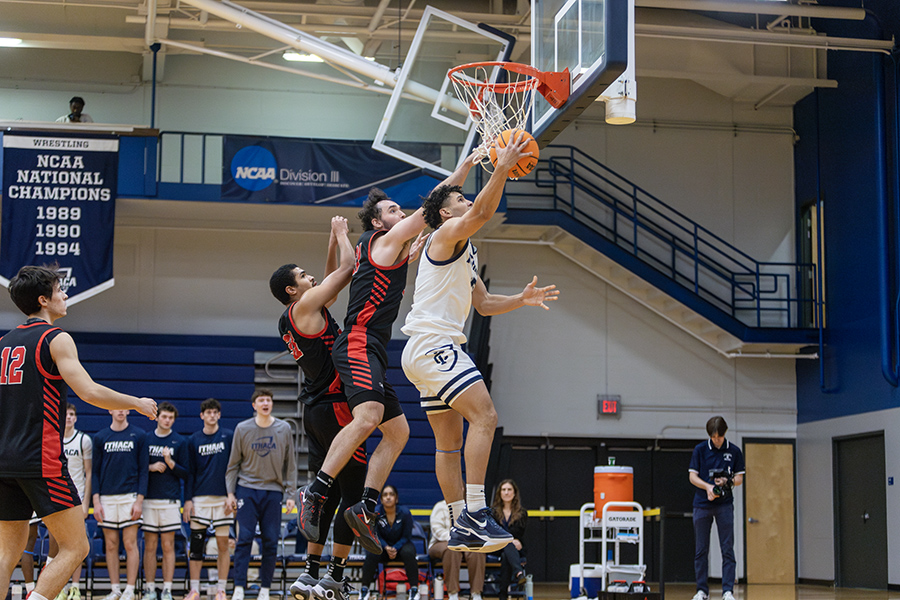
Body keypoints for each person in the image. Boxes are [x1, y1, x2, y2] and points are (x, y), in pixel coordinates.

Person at [298, 157, 477, 554]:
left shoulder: (379, 246)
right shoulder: (387, 240)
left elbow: (358, 261)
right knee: (369, 418)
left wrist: (339, 237)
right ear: (379, 224)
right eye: (394, 210)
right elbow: (432, 208)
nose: (403, 213)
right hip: (360, 340)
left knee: (399, 431)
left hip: (373, 345)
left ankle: (364, 505)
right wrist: (462, 172)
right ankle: (315, 492)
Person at [401, 133, 558, 552]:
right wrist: (503, 166)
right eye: (459, 199)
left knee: (448, 445)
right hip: (435, 344)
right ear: (443, 211)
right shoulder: (445, 232)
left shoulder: (463, 251)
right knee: (485, 416)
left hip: (422, 351)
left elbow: (484, 304)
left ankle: (458, 522)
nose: (467, 201)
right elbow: (486, 210)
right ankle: (475, 511)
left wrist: (521, 300)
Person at [0, 264, 157, 600]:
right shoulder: (56, 338)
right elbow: (88, 391)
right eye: (60, 290)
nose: (66, 295)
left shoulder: (3, 344)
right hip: (39, 459)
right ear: (44, 300)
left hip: (3, 461)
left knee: (6, 555)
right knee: (76, 547)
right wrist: (136, 402)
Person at [268, 216, 364, 600]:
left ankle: (309, 574)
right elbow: (347, 268)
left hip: (315, 411)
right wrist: (342, 235)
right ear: (293, 289)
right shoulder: (306, 304)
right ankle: (335, 576)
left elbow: (328, 285)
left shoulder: (295, 314)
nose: (311, 278)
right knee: (352, 497)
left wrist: (329, 239)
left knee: (328, 498)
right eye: (304, 276)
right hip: (338, 408)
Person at [226, 389, 297, 600]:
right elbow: (233, 465)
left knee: (270, 540)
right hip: (246, 489)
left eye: (268, 400)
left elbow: (291, 465)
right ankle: (239, 586)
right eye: (261, 400)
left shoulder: (284, 429)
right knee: (244, 538)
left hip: (273, 491)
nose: (265, 403)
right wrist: (230, 493)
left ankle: (265, 589)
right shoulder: (242, 428)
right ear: (254, 405)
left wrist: (291, 494)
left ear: (272, 404)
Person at [93, 408, 150, 600]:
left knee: (130, 543)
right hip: (107, 498)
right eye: (116, 407)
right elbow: (94, 472)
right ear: (109, 409)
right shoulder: (100, 437)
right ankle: (115, 589)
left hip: (130, 497)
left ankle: (130, 590)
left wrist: (139, 500)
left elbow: (144, 470)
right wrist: (96, 500)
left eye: (123, 407)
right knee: (110, 545)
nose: (120, 411)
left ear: (128, 410)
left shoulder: (139, 435)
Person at [688, 416, 745, 600]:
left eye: (719, 437)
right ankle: (701, 590)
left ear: (724, 433)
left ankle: (727, 591)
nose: (716, 440)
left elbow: (739, 478)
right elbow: (692, 476)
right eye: (713, 437)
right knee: (701, 549)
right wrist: (708, 487)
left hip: (724, 505)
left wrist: (727, 482)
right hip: (702, 505)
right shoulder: (700, 450)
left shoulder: (735, 451)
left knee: (727, 548)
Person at [183, 398, 234, 600]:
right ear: (202, 416)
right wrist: (188, 500)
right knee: (196, 546)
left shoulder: (228, 437)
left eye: (215, 412)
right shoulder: (193, 440)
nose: (212, 415)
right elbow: (190, 473)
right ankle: (194, 589)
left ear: (219, 415)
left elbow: (234, 469)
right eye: (208, 412)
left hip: (223, 499)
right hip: (199, 499)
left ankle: (221, 589)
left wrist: (232, 495)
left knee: (223, 545)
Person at [46, 403, 94, 600]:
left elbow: (89, 473)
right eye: (65, 414)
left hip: (76, 499)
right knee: (54, 544)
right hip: (55, 498)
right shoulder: (51, 439)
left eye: (72, 414)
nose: (68, 417)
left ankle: (74, 587)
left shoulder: (84, 440)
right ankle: (57, 588)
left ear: (76, 418)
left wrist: (86, 502)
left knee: (77, 544)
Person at [143, 402, 189, 600]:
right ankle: (150, 588)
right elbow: (136, 468)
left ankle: (168, 589)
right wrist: (150, 467)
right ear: (157, 417)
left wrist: (171, 463)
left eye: (171, 418)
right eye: (164, 417)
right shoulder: (146, 439)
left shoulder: (179, 442)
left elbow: (186, 473)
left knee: (168, 545)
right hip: (148, 500)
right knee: (150, 546)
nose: (167, 420)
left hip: (170, 500)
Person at [358, 485, 424, 600]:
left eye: (391, 494)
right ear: (381, 499)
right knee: (371, 552)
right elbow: (375, 535)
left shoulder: (405, 513)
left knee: (409, 551)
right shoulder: (376, 513)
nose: (388, 497)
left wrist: (395, 548)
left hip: (401, 547)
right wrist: (386, 547)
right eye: (385, 495)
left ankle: (414, 589)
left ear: (396, 499)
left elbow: (407, 536)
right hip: (382, 548)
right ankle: (364, 589)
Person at [428, 500, 484, 600]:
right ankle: (452, 594)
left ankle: (476, 593)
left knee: (477, 550)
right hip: (441, 541)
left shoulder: (470, 508)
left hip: (466, 542)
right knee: (451, 549)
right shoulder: (440, 506)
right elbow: (437, 531)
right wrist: (456, 538)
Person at [490, 480, 527, 600]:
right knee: (508, 544)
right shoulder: (493, 512)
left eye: (509, 490)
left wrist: (508, 539)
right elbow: (494, 532)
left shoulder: (522, 513)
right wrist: (509, 539)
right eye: (504, 490)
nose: (506, 493)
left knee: (507, 553)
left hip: (514, 549)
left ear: (515, 493)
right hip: (496, 547)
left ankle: (503, 595)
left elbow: (518, 532)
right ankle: (519, 573)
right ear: (499, 493)